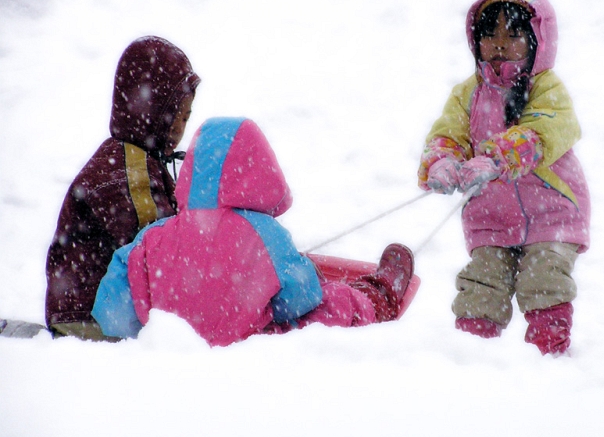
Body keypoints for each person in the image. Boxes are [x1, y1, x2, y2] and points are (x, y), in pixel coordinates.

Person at [92, 117, 417, 347]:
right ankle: (378, 296)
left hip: (177, 350)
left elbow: (113, 313)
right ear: (260, 172)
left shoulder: (152, 239)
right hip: (250, 349)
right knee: (328, 306)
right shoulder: (263, 234)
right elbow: (300, 297)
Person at [417, 0, 590, 355]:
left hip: (552, 211)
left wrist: (498, 158)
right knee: (482, 282)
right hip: (492, 216)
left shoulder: (547, 89)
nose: (499, 44)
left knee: (544, 277)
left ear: (537, 41)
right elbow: (447, 133)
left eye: (513, 35)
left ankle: (550, 353)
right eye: (490, 34)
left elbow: (543, 131)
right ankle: (473, 355)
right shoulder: (468, 93)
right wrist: (443, 161)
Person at [45, 36, 201, 340]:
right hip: (87, 320)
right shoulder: (128, 170)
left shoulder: (142, 160)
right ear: (156, 112)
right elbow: (157, 248)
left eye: (187, 117)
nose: (183, 128)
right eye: (179, 116)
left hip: (101, 310)